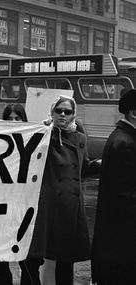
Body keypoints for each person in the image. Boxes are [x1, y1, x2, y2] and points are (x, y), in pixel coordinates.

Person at [26, 95, 99, 285]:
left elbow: (82, 168)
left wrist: (99, 164)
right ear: (52, 113)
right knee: (35, 254)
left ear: (74, 115)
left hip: (71, 206)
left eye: (68, 112)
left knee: (66, 259)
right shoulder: (44, 135)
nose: (63, 115)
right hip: (48, 205)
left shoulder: (80, 138)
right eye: (59, 111)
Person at [92, 89, 136, 284]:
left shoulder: (123, 137)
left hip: (118, 243)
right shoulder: (125, 143)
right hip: (122, 243)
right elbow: (125, 197)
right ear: (134, 113)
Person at [0, 103, 28, 285]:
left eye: (18, 118)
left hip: (23, 206)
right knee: (1, 255)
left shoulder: (34, 141)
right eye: (10, 118)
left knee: (26, 256)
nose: (14, 122)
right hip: (1, 206)